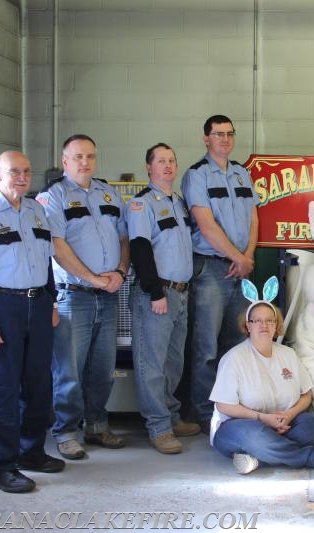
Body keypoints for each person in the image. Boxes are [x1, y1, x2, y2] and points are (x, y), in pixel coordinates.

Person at [0, 151, 64, 493]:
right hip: (1, 307)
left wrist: (51, 300)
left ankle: (31, 452)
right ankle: (0, 466)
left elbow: (46, 261)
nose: (21, 177)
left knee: (38, 385)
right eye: (13, 172)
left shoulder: (37, 210)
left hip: (38, 306)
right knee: (4, 389)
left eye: (26, 171)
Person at [37, 134, 130, 460]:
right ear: (65, 162)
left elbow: (123, 236)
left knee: (103, 368)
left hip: (106, 296)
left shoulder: (108, 192)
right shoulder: (53, 197)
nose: (84, 162)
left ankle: (97, 425)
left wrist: (119, 272)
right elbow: (57, 248)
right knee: (69, 371)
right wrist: (93, 278)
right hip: (73, 297)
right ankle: (66, 432)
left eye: (90, 156)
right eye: (77, 157)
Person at [210, 277, 314, 474]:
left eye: (269, 321)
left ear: (276, 325)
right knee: (255, 437)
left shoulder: (287, 354)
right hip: (239, 426)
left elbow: (306, 394)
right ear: (248, 326)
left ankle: (258, 457)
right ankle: (312, 457)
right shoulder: (234, 358)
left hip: (281, 424)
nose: (264, 325)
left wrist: (289, 415)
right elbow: (223, 405)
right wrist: (263, 419)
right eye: (257, 321)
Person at [181, 114, 259, 432]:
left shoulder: (242, 173)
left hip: (241, 269)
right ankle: (202, 412)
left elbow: (254, 218)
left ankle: (231, 408)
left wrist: (248, 257)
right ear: (206, 138)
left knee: (237, 344)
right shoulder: (195, 175)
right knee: (205, 349)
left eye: (229, 134)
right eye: (218, 134)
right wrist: (238, 257)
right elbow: (206, 225)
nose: (225, 140)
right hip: (211, 269)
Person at [127, 143, 201, 454]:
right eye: (161, 161)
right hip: (158, 294)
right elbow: (140, 249)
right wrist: (155, 292)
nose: (168, 166)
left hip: (181, 292)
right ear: (149, 167)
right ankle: (158, 427)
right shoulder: (141, 204)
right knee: (152, 364)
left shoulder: (180, 203)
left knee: (174, 361)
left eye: (172, 160)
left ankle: (171, 416)